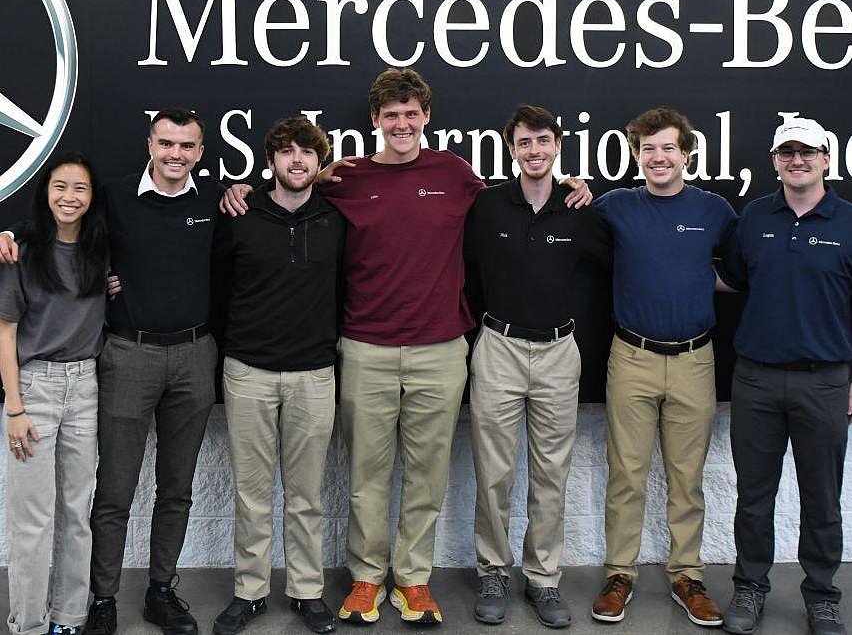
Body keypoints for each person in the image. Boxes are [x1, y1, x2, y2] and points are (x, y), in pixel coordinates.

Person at [220, 69, 591, 625]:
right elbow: (292, 188)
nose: (400, 123)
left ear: (425, 117)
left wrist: (569, 185)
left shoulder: (455, 174)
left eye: (410, 114)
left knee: (427, 471)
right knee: (366, 475)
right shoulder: (344, 179)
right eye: (390, 115)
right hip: (365, 347)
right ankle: (367, 578)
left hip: (441, 350)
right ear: (375, 121)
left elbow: (520, 197)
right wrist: (242, 186)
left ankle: (414, 579)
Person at [0, 108, 223, 635]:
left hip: (194, 354)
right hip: (126, 356)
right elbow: (56, 224)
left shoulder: (217, 200)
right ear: (149, 143)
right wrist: (7, 233)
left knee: (177, 486)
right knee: (111, 490)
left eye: (186, 146)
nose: (175, 154)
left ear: (200, 152)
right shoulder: (114, 198)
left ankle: (161, 590)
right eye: (165, 143)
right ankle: (100, 600)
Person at [464, 104, 612, 628]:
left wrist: (586, 190)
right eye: (524, 142)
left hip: (558, 351)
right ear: (511, 148)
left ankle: (544, 580)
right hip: (498, 346)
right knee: (494, 473)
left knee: (551, 474)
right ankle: (492, 572)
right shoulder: (485, 207)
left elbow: (620, 260)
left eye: (543, 141)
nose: (534, 150)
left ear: (558, 145)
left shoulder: (580, 210)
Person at [590, 106, 737, 627]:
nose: (658, 158)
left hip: (696, 359)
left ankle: (687, 576)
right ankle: (619, 574)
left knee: (687, 477)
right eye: (648, 149)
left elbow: (738, 271)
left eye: (668, 148)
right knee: (626, 474)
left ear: (687, 154)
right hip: (631, 356)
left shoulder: (715, 210)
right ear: (636, 155)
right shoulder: (614, 206)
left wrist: (701, 282)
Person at [211, 117, 345, 635]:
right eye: (286, 153)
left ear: (318, 161)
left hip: (315, 372)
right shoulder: (240, 214)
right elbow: (217, 283)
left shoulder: (336, 216)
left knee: (307, 493)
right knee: (251, 492)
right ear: (270, 162)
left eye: (307, 153)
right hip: (248, 371)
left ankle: (307, 591)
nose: (297, 161)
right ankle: (250, 591)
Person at [720, 117, 852, 635]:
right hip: (755, 379)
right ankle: (750, 590)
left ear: (826, 159)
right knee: (754, 495)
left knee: (821, 496)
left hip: (824, 381)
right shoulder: (754, 218)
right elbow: (729, 279)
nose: (797, 161)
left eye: (807, 152)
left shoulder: (847, 221)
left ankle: (821, 595)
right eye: (787, 153)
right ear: (774, 161)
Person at [0, 152, 109, 635]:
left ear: (91, 197)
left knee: (75, 513)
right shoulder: (19, 250)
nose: (69, 197)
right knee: (32, 518)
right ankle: (27, 623)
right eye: (60, 187)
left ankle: (68, 618)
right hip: (35, 388)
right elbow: (4, 334)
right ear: (46, 192)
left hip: (85, 386)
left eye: (80, 189)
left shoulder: (99, 249)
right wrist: (15, 408)